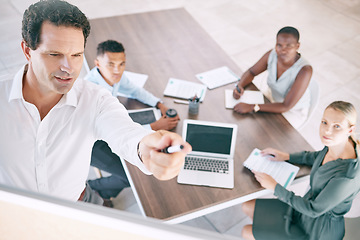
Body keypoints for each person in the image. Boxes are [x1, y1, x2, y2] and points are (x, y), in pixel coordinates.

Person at [0, 0, 191, 205]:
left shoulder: (95, 99)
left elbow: (126, 133)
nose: (69, 68)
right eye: (54, 54)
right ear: (27, 50)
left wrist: (145, 148)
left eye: (76, 55)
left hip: (82, 203)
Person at [241, 101, 360, 240]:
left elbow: (313, 209)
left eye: (337, 126)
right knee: (247, 206)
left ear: (350, 130)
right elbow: (317, 156)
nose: (327, 131)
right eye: (324, 122)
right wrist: (287, 156)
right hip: (302, 210)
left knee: (246, 232)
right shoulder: (337, 144)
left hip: (317, 230)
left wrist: (275, 187)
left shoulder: (347, 177)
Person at [84, 40, 179, 203]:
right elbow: (108, 131)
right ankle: (91, 187)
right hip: (91, 142)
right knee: (130, 176)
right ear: (97, 63)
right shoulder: (91, 92)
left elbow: (134, 90)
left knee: (133, 171)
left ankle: (105, 194)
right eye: (111, 64)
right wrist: (154, 127)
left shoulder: (112, 75)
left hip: (108, 130)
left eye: (122, 64)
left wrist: (159, 104)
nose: (117, 70)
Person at [233, 26, 313, 129]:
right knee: (249, 123)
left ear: (297, 46)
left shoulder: (305, 70)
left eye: (288, 46)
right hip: (272, 99)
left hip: (292, 111)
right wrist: (240, 86)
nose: (283, 50)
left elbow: (286, 106)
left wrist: (252, 107)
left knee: (268, 132)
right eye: (279, 45)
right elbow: (251, 72)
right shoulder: (272, 55)